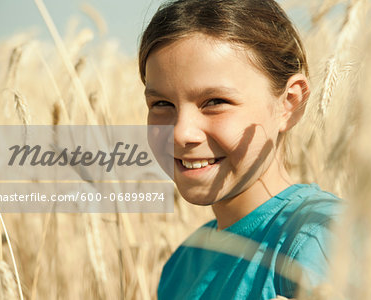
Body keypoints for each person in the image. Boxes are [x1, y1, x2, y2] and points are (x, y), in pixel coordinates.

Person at [138, 0, 343, 299]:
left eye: (215, 102)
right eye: (161, 104)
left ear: (290, 102)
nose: (181, 133)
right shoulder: (182, 264)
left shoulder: (322, 238)